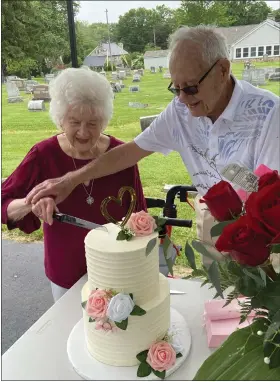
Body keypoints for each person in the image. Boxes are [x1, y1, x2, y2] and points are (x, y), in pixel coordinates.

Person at [26, 25, 280, 263]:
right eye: (175, 88)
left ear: (223, 70)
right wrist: (70, 180)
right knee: (220, 299)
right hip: (214, 218)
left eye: (190, 88)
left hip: (266, 227)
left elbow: (269, 192)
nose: (182, 99)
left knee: (263, 302)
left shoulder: (268, 112)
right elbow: (129, 152)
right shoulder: (179, 111)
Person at [2, 68, 147, 302]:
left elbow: (139, 212)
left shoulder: (120, 155)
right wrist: (33, 202)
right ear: (60, 119)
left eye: (92, 123)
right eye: (74, 122)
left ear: (105, 120)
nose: (83, 132)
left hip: (116, 269)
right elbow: (4, 205)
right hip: (65, 271)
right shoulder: (43, 155)